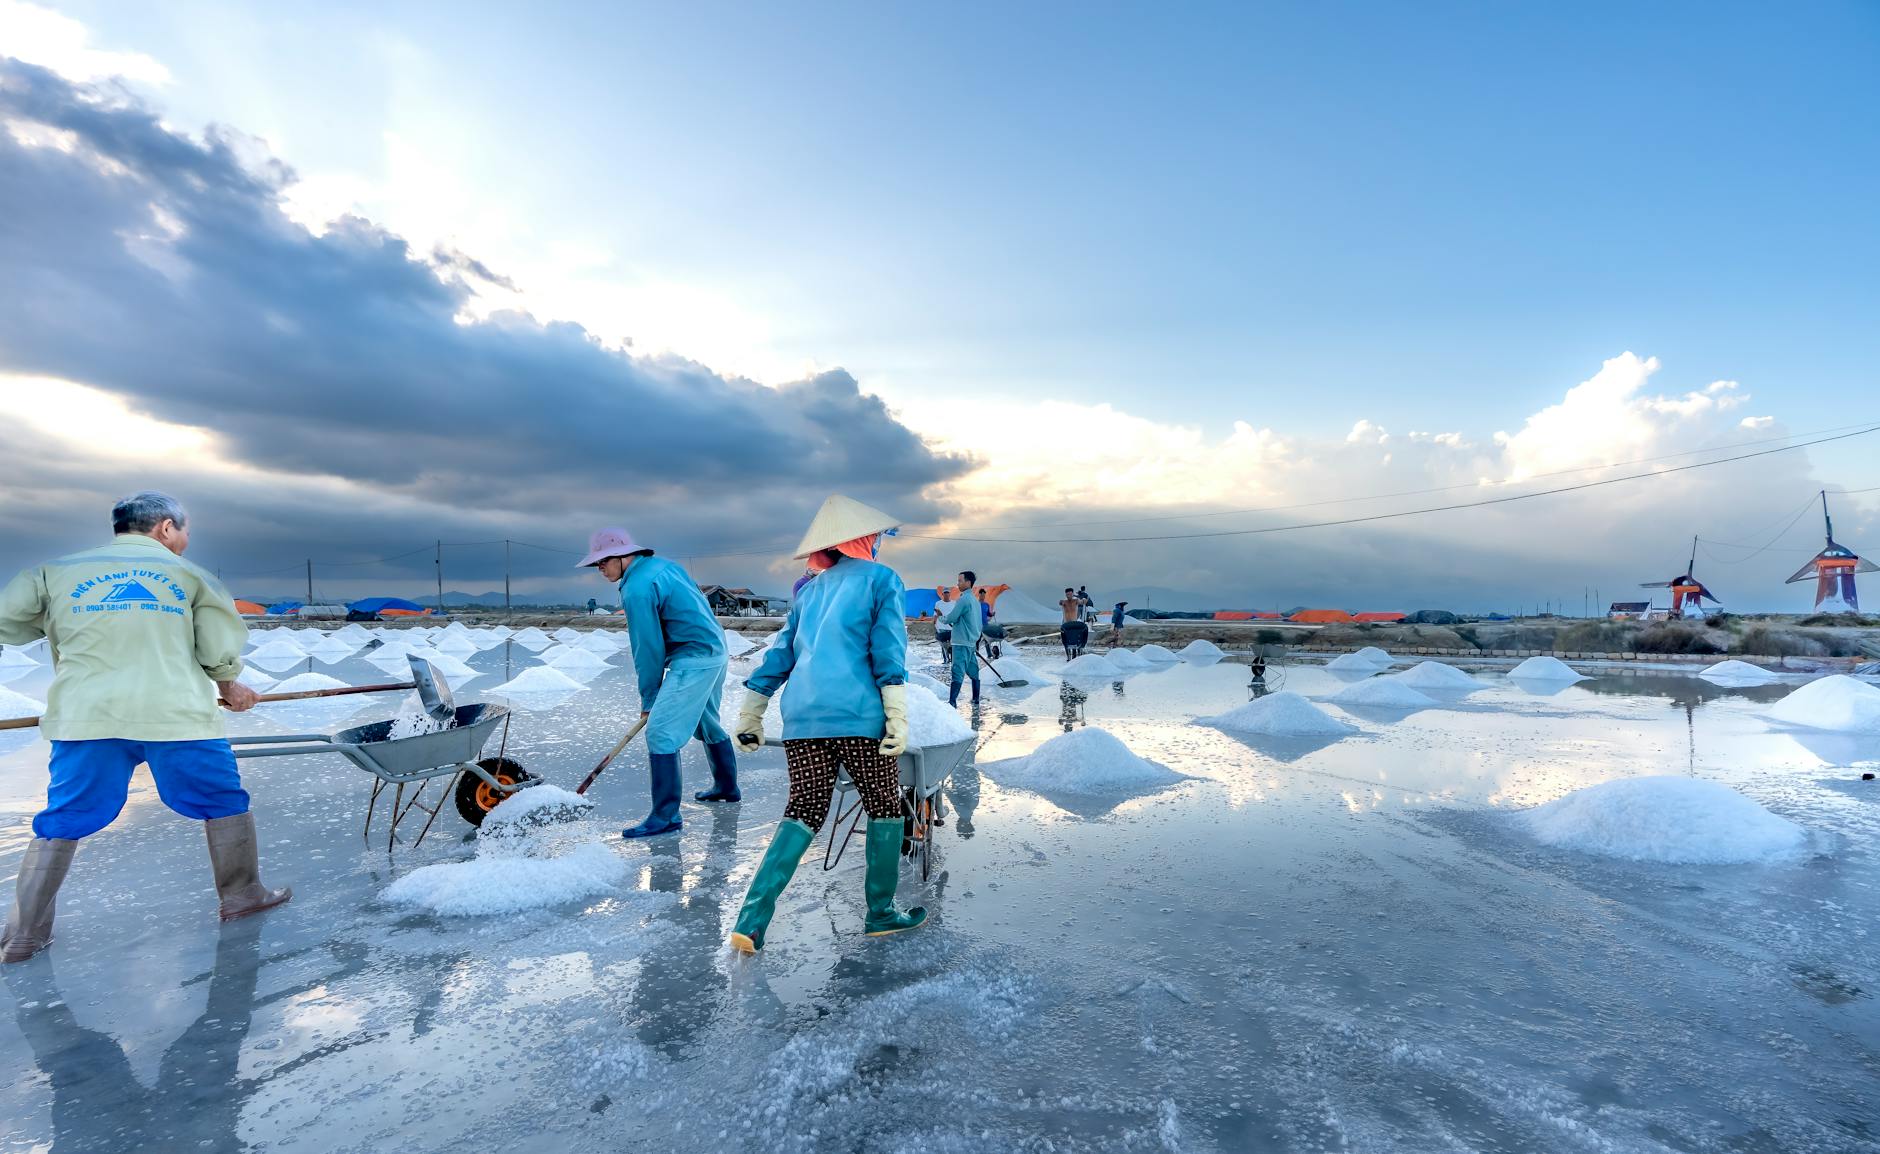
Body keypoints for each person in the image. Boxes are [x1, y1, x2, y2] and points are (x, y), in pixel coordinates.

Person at [0, 492, 290, 963]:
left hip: (86, 717)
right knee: (222, 801)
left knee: (64, 817)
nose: (186, 539)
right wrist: (230, 685)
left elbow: (7, 623)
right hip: (176, 716)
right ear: (166, 528)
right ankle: (242, 896)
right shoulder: (192, 576)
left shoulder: (53, 572)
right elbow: (215, 647)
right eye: (185, 530)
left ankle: (24, 934)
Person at [727, 494, 923, 953]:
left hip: (803, 720)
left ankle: (750, 922)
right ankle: (880, 913)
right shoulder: (882, 579)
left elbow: (781, 653)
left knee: (803, 810)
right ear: (864, 539)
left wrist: (752, 710)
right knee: (883, 805)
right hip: (858, 718)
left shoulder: (809, 591)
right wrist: (897, 715)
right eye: (876, 537)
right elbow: (887, 650)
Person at [579, 527, 738, 839]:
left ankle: (665, 817)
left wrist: (650, 698)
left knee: (660, 733)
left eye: (603, 562)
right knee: (707, 722)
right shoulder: (664, 566)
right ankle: (726, 787)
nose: (599, 568)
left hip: (694, 657)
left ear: (623, 556)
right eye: (596, 563)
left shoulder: (637, 588)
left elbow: (647, 647)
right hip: (715, 649)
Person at [943, 570, 983, 706]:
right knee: (973, 671)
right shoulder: (975, 601)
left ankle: (952, 703)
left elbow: (952, 617)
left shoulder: (963, 600)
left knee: (957, 672)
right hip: (971, 643)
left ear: (968, 582)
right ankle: (976, 699)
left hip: (960, 642)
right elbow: (977, 623)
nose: (957, 584)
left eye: (960, 581)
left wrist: (941, 618)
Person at [1057, 587, 1088, 659]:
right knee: (1066, 641)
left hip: (1074, 624)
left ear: (1072, 594)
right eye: (1067, 594)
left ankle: (1075, 657)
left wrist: (1084, 600)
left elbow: (1082, 602)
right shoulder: (1064, 602)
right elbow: (1060, 603)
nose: (1069, 596)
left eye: (1070, 594)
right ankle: (1068, 657)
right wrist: (1061, 602)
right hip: (1066, 624)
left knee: (1074, 641)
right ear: (1066, 595)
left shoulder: (1075, 601)